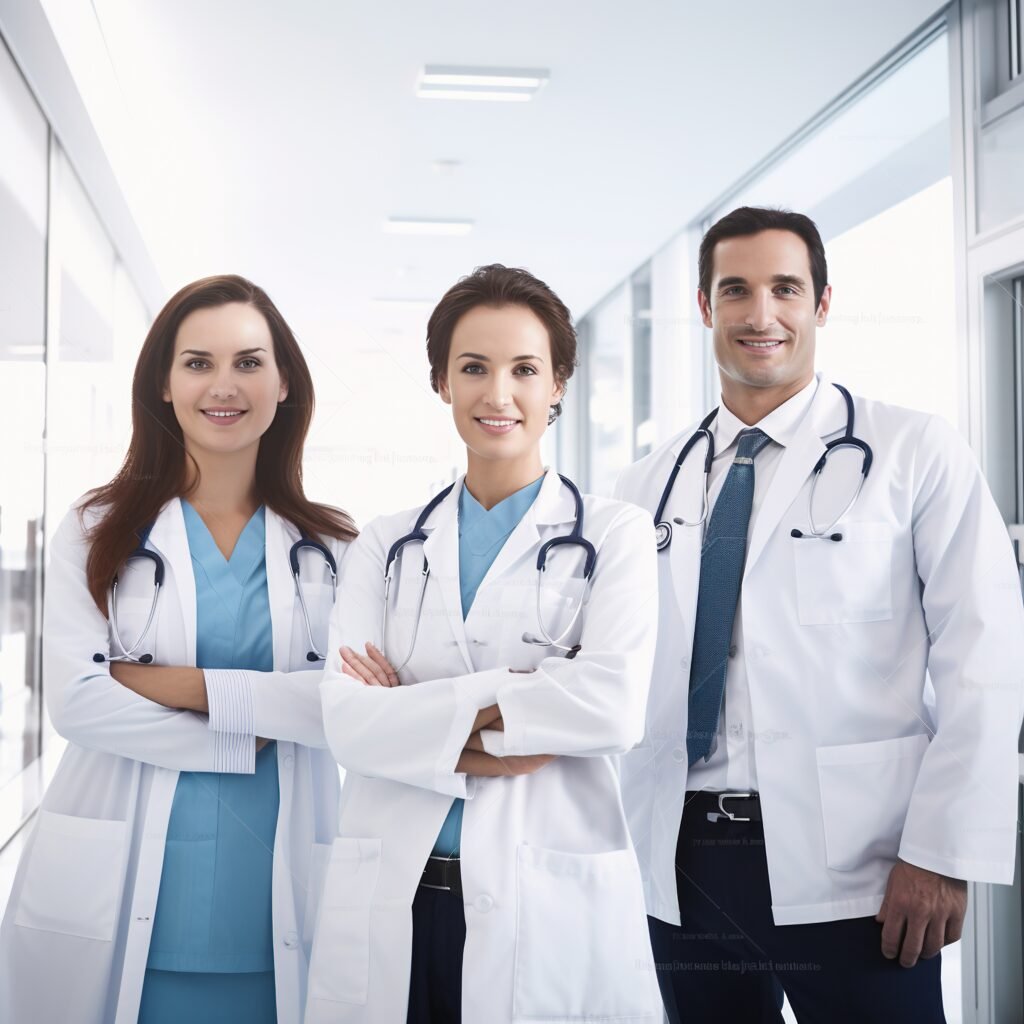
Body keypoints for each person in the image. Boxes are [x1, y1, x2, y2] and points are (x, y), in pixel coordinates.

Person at [615, 207, 1024, 1023]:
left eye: (784, 289)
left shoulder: (913, 452)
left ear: (822, 304)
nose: (759, 314)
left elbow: (985, 656)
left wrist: (942, 852)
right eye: (736, 290)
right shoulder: (646, 484)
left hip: (861, 866)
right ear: (704, 307)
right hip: (681, 857)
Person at [304, 264, 663, 1024]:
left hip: (543, 896)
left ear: (558, 383)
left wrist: (409, 711)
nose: (498, 395)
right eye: (473, 368)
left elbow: (613, 708)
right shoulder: (384, 542)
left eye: (524, 369)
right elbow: (343, 719)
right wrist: (521, 705)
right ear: (441, 381)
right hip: (398, 893)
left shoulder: (616, 534)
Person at [0, 275, 356, 1024]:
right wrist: (250, 731)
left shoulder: (336, 547)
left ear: (284, 381)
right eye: (197, 363)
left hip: (282, 900)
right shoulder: (96, 529)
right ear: (162, 383)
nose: (223, 385)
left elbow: (348, 709)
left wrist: (182, 687)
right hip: (124, 896)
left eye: (249, 362)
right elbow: (78, 702)